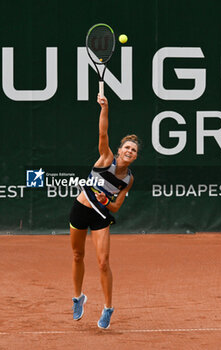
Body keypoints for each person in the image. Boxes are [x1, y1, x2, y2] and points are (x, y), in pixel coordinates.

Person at [69, 94, 139, 329]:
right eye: (127, 147)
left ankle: (108, 308)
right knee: (78, 255)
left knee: (103, 262)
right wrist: (105, 109)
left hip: (101, 215)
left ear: (135, 157)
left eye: (134, 150)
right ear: (119, 150)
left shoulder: (128, 179)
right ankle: (78, 298)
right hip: (81, 208)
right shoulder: (106, 157)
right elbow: (103, 133)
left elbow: (116, 206)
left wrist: (105, 201)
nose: (130, 151)